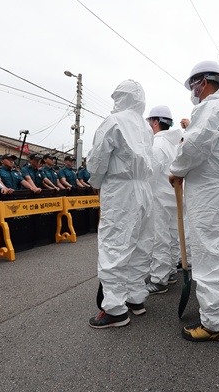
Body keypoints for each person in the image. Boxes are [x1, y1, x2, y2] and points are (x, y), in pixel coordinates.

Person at [169, 60, 219, 342]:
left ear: (203, 82)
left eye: (193, 85)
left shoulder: (211, 107)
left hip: (211, 195)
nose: (193, 91)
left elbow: (194, 145)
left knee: (211, 255)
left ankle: (214, 324)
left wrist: (176, 170)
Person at [86, 79, 154, 329]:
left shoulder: (113, 121)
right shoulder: (145, 128)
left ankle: (115, 309)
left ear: (120, 98)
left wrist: (95, 180)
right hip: (144, 189)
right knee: (140, 244)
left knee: (115, 245)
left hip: (121, 188)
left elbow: (98, 157)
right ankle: (135, 298)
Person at [144, 105, 182, 295]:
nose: (148, 125)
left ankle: (159, 279)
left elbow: (150, 173)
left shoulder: (157, 145)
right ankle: (171, 270)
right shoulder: (171, 145)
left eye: (149, 121)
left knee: (159, 237)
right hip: (172, 196)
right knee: (172, 235)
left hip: (158, 196)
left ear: (156, 122)